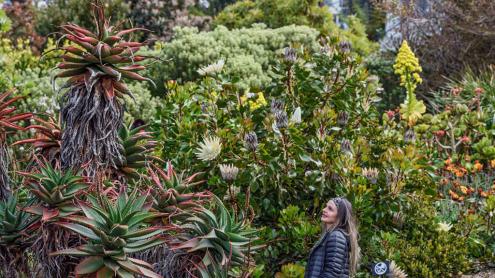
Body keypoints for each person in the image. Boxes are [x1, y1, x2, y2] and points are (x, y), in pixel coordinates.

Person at [304, 197, 360, 278]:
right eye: (326, 206)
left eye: (330, 209)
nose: (324, 209)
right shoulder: (329, 235)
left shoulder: (336, 236)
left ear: (339, 216)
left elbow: (332, 272)